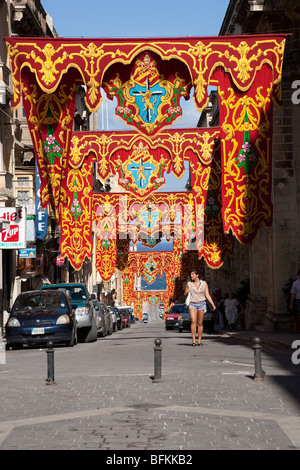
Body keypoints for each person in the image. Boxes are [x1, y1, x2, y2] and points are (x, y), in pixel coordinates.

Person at [184, 269, 216, 346]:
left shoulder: (204, 283)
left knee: (200, 323)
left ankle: (199, 340)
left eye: (192, 274)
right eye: (191, 274)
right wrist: (187, 291)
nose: (191, 276)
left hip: (202, 303)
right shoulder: (189, 284)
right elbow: (185, 294)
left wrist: (213, 304)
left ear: (197, 275)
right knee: (193, 321)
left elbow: (207, 295)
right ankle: (193, 340)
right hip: (192, 304)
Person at [290, 269, 300, 333]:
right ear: (298, 275)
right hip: (298, 300)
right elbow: (293, 294)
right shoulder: (295, 283)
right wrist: (291, 304)